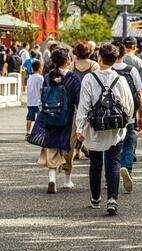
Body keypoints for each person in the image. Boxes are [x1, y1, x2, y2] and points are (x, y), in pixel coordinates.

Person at [76, 44, 134, 215]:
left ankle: (95, 198)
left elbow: (84, 105)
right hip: (115, 129)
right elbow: (129, 104)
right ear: (116, 60)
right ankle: (112, 200)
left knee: (95, 163)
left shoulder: (89, 79)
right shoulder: (121, 79)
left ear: (99, 58)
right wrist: (125, 122)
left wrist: (79, 127)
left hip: (95, 128)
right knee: (114, 163)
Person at [36, 48, 81, 193]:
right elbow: (79, 100)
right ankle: (67, 180)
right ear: (68, 60)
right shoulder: (73, 78)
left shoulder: (48, 76)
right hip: (69, 117)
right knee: (68, 147)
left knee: (51, 146)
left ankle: (52, 177)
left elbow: (42, 96)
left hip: (50, 115)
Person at [111, 40, 142, 193]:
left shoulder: (106, 70)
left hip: (109, 116)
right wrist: (140, 115)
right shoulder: (131, 70)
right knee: (128, 144)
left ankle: (110, 176)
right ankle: (126, 169)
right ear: (123, 53)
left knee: (110, 146)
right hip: (128, 114)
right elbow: (138, 93)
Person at [71, 41, 101, 160]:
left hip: (75, 100)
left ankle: (78, 149)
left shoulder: (72, 65)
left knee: (78, 124)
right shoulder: (94, 65)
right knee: (90, 125)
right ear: (89, 53)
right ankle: (89, 147)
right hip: (91, 99)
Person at [123, 36, 142, 111]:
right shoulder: (139, 61)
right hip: (134, 95)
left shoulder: (117, 60)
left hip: (120, 94)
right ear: (135, 47)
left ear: (124, 46)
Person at [25, 60, 44, 140]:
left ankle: (27, 133)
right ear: (40, 68)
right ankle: (38, 133)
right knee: (39, 118)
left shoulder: (29, 78)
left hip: (30, 101)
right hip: (38, 101)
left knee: (29, 118)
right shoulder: (41, 78)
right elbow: (41, 90)